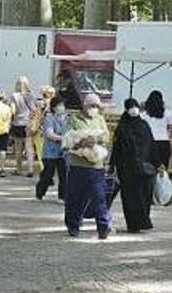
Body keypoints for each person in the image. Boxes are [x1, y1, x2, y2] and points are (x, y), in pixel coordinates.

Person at [63, 100, 112, 239]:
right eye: (91, 105)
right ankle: (73, 225)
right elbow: (67, 139)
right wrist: (80, 143)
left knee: (99, 197)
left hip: (97, 166)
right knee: (75, 197)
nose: (94, 108)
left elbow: (106, 136)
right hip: (78, 165)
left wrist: (95, 139)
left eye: (96, 106)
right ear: (84, 106)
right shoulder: (73, 119)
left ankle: (103, 226)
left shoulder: (100, 119)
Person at [111, 99, 157, 233]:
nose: (133, 109)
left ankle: (142, 221)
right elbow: (117, 148)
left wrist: (158, 163)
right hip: (127, 168)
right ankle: (133, 223)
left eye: (135, 106)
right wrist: (113, 164)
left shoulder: (144, 125)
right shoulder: (122, 127)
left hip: (143, 167)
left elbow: (152, 145)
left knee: (143, 196)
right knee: (130, 197)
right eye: (131, 107)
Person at [35, 96, 69, 200]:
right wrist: (62, 138)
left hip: (63, 152)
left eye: (63, 105)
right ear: (54, 107)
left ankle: (63, 196)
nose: (61, 107)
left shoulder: (67, 118)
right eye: (59, 105)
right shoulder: (49, 118)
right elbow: (49, 134)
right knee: (48, 174)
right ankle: (40, 192)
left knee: (64, 175)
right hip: (50, 152)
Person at [9, 76, 37, 177]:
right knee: (29, 148)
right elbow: (34, 110)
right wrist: (30, 118)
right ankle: (30, 169)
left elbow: (13, 111)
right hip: (28, 124)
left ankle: (18, 169)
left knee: (18, 148)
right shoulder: (32, 95)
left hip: (17, 123)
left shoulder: (14, 96)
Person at [142, 90, 172, 169]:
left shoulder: (143, 115)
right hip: (164, 143)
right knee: (162, 170)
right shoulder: (168, 113)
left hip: (148, 143)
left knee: (148, 169)